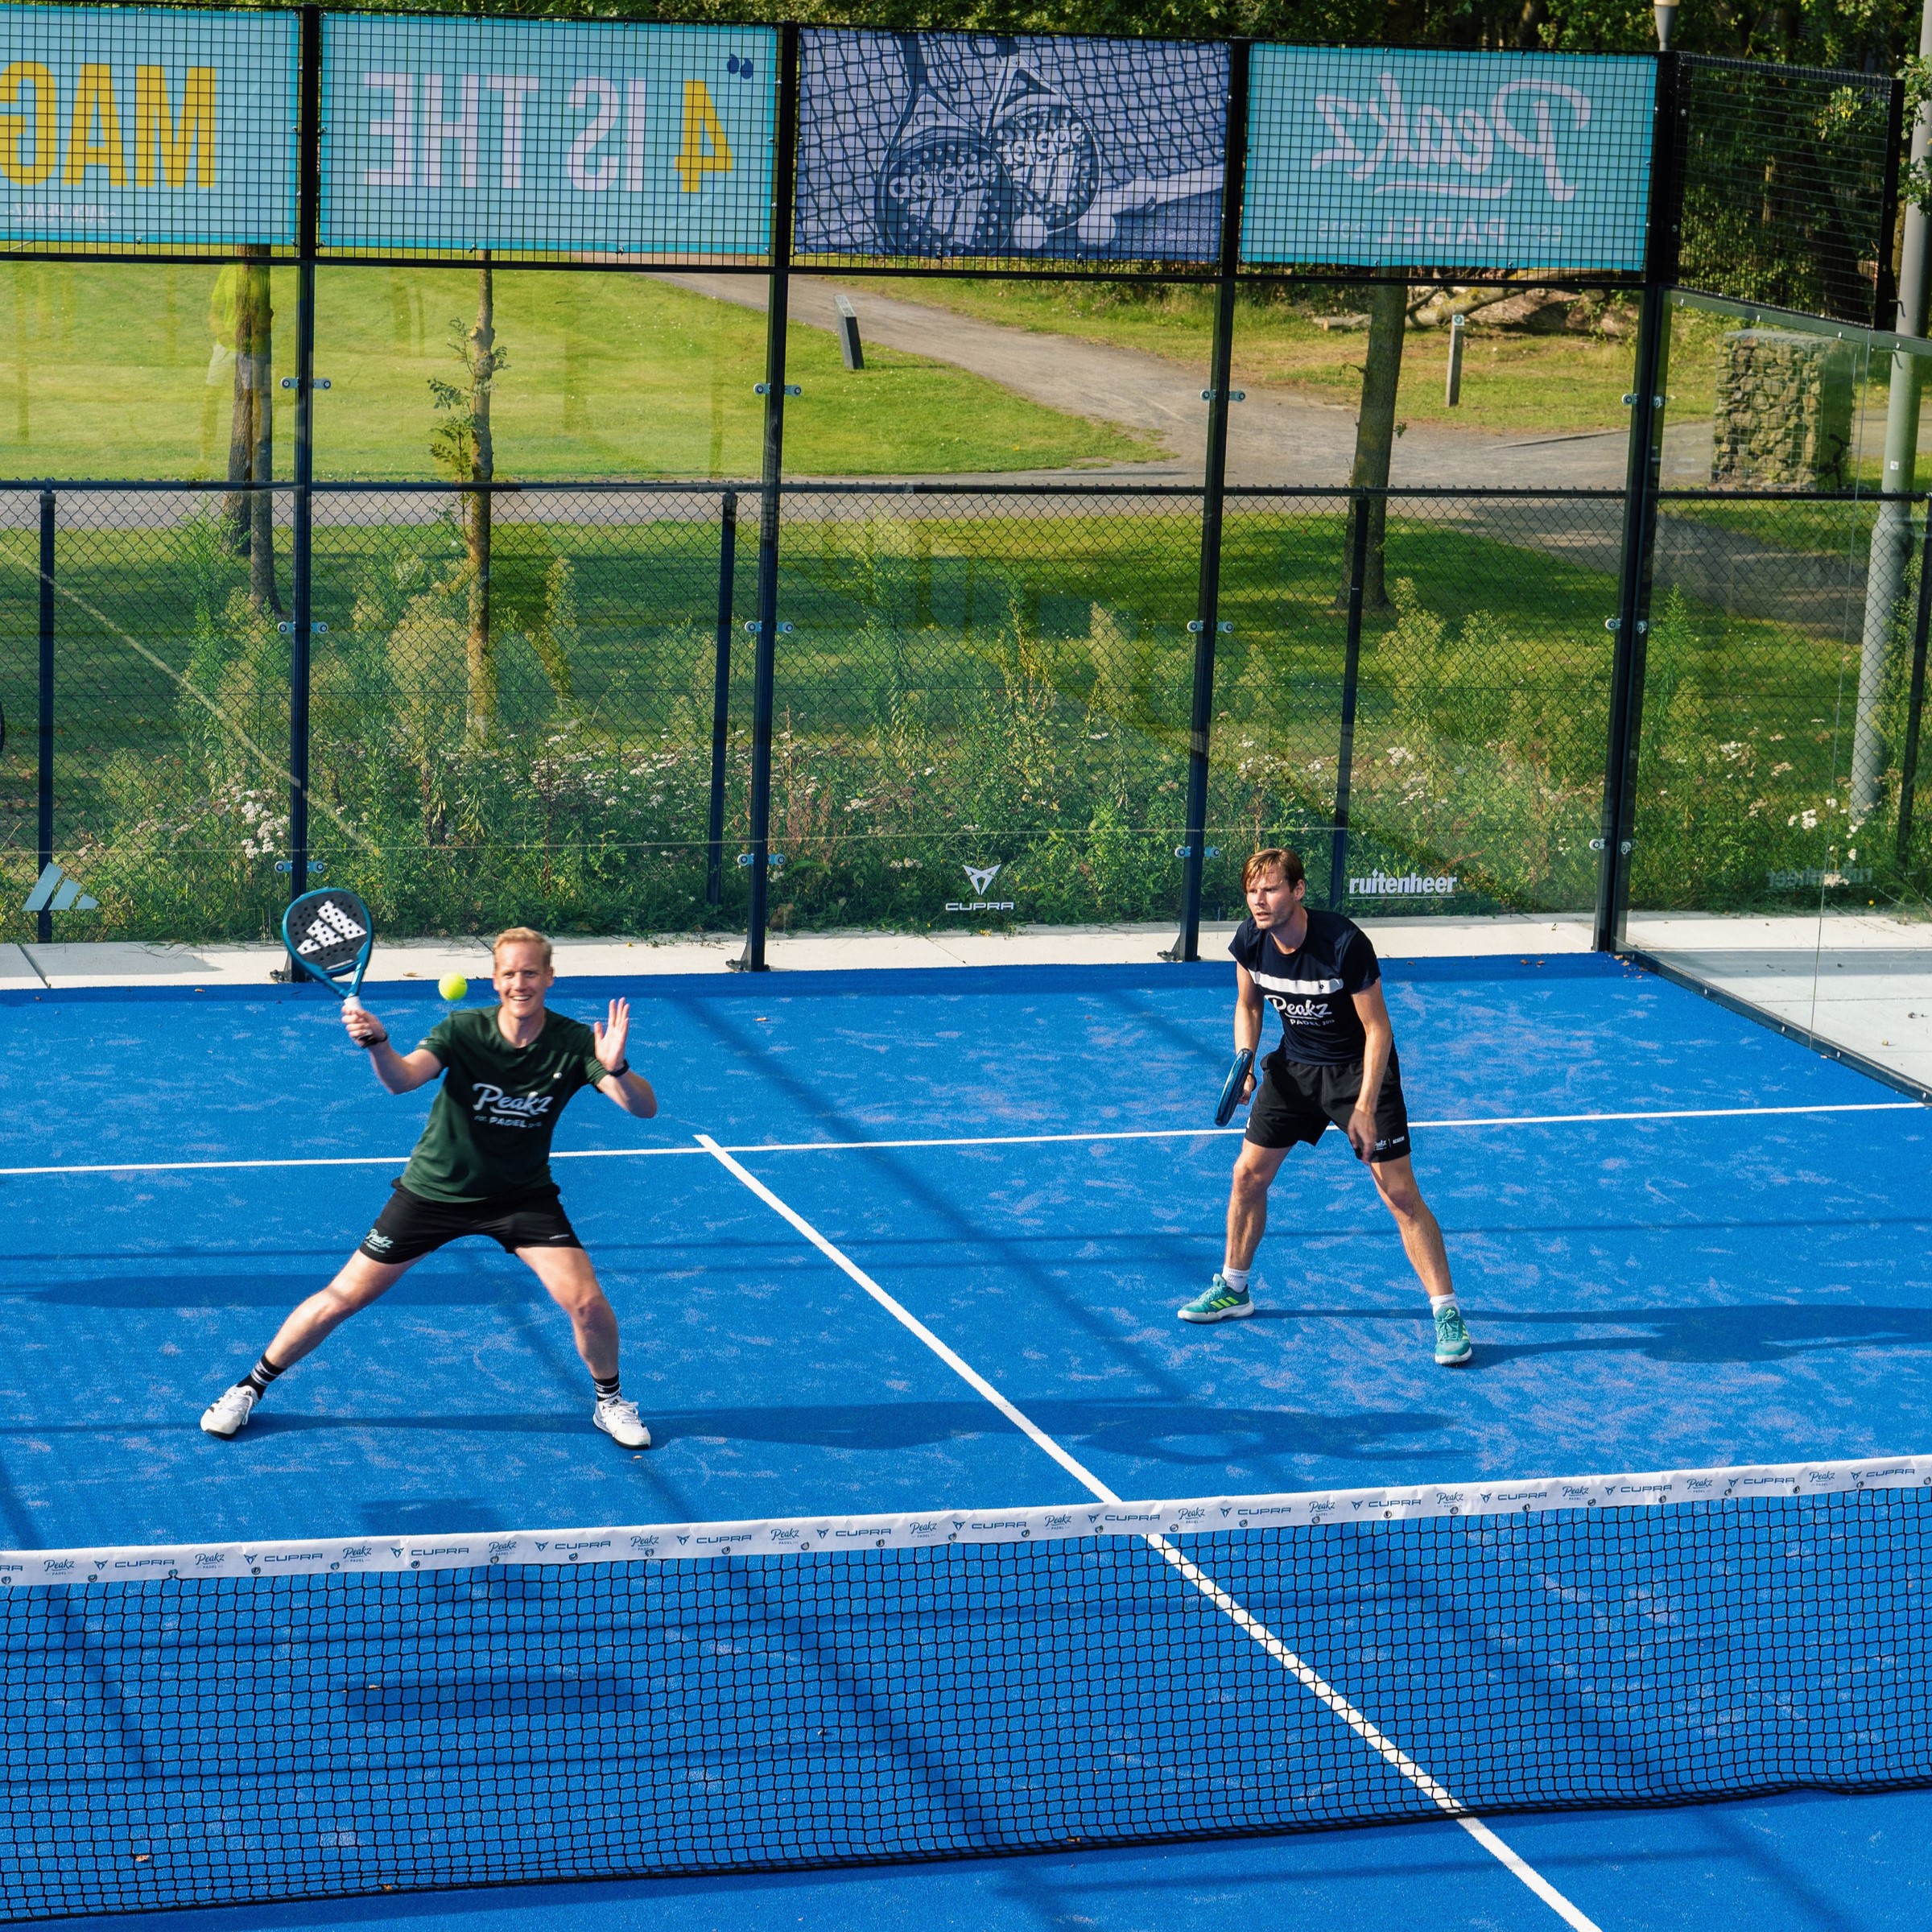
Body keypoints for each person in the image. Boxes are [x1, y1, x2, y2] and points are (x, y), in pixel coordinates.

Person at [200, 927, 660, 1447]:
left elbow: (642, 1107)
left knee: (587, 1304)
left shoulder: (576, 1042)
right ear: (494, 980)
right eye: (509, 973)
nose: (520, 982)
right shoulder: (462, 1030)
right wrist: (379, 1043)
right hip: (433, 1193)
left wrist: (617, 1067)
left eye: (530, 971)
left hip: (521, 1198)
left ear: (549, 977)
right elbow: (401, 1079)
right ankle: (248, 1389)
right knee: (343, 1297)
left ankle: (610, 1403)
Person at [1177, 848, 1472, 1367]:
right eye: (1252, 891)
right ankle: (1234, 1287)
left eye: (1270, 889)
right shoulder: (1251, 940)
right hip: (1293, 1070)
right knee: (1247, 1176)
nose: (1259, 900)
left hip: (1357, 1072)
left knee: (1399, 1193)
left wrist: (1362, 1107)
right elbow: (1248, 1006)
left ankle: (1447, 1312)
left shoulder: (1343, 943)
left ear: (1298, 891)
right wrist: (1245, 1060)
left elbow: (1378, 1029)